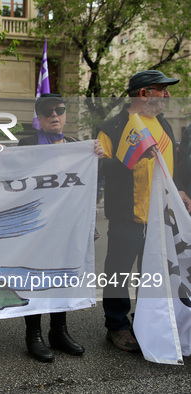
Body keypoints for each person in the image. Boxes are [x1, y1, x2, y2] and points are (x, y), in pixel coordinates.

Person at [96, 70, 191, 352]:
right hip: (128, 216)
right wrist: (132, 157)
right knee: (119, 273)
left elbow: (173, 165)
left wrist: (181, 189)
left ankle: (145, 321)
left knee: (155, 273)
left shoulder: (164, 125)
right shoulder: (112, 127)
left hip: (162, 217)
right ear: (144, 93)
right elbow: (101, 169)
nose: (167, 95)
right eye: (162, 90)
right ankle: (117, 326)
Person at [18, 93, 104, 362]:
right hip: (36, 226)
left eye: (59, 110)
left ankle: (59, 331)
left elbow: (90, 185)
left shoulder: (81, 146)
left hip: (67, 225)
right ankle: (33, 334)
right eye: (47, 112)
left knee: (61, 276)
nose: (54, 115)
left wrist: (99, 156)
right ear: (40, 119)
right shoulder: (26, 144)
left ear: (65, 114)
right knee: (34, 278)